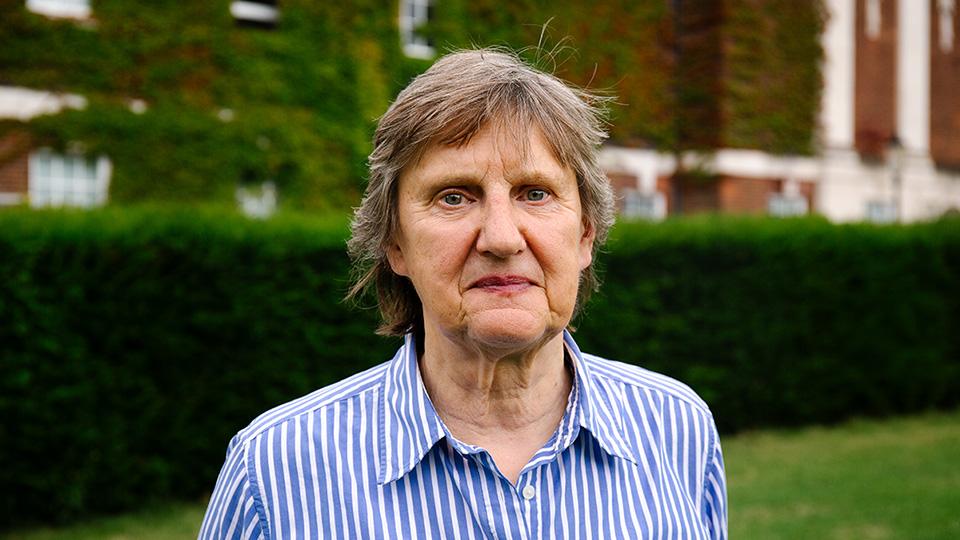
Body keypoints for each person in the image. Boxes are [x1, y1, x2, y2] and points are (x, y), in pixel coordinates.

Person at [199, 48, 727, 539]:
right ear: (394, 244)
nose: (501, 237)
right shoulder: (274, 472)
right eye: (454, 197)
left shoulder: (679, 429)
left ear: (586, 233)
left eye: (535, 193)